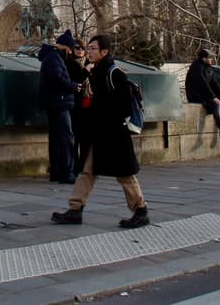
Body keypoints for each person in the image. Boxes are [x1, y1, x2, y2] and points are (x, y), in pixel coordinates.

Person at [51, 34, 150, 228]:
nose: (88, 51)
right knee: (87, 171)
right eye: (88, 48)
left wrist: (101, 113)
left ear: (104, 51)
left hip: (114, 134)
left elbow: (123, 106)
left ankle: (140, 210)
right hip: (98, 134)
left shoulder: (114, 73)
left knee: (124, 174)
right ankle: (75, 209)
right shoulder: (95, 72)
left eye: (93, 48)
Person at [39, 30, 79, 184]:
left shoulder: (52, 57)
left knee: (56, 138)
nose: (71, 52)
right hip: (59, 102)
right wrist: (74, 86)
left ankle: (56, 172)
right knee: (66, 138)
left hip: (54, 102)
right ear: (66, 47)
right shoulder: (54, 58)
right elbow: (57, 78)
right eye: (70, 48)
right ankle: (66, 172)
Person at [185, 49, 220, 138]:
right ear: (203, 58)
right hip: (195, 95)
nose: (212, 60)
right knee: (215, 104)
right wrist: (213, 97)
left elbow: (214, 83)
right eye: (210, 58)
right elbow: (203, 83)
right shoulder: (196, 67)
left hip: (204, 94)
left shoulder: (208, 68)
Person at [67, 39, 90, 165]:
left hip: (89, 104)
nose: (80, 50)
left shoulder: (89, 62)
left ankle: (84, 164)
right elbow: (77, 80)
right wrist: (86, 71)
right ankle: (75, 164)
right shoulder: (70, 63)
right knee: (75, 136)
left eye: (82, 48)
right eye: (77, 48)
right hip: (75, 105)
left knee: (86, 138)